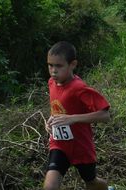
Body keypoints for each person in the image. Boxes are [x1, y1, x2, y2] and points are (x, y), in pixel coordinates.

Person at [43, 41, 113, 190]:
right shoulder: (51, 83)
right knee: (49, 186)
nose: (53, 71)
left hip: (81, 147)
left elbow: (105, 115)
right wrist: (50, 120)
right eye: (50, 65)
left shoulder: (78, 88)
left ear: (72, 64)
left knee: (92, 182)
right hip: (59, 144)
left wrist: (73, 119)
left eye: (59, 66)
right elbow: (57, 109)